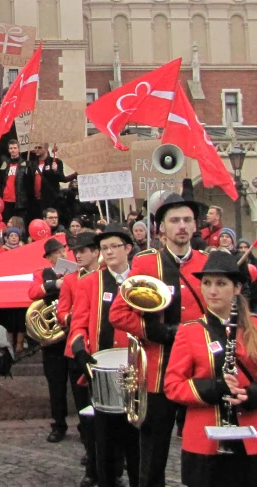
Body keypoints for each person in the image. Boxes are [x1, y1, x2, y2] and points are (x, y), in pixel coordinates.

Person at [110, 181, 210, 487]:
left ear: (195, 226)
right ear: (161, 228)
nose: (181, 226)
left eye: (187, 220)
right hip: (156, 373)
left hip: (198, 372)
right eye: (174, 220)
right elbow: (118, 314)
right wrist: (156, 331)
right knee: (152, 453)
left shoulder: (208, 265)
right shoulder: (146, 262)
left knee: (203, 449)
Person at [163, 251, 257, 487]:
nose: (212, 291)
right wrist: (214, 388)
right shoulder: (189, 331)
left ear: (237, 288)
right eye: (207, 283)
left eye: (221, 283)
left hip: (255, 433)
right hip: (206, 439)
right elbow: (173, 386)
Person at [67, 225, 138, 487]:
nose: (108, 252)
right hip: (102, 371)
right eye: (104, 248)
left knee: (137, 443)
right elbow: (78, 325)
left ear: (128, 249)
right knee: (105, 442)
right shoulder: (89, 282)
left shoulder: (142, 280)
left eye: (113, 247)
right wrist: (80, 352)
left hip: (137, 370)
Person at [28, 237, 75, 443]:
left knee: (79, 385)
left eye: (63, 251)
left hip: (74, 334)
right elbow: (32, 292)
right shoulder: (42, 273)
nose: (63, 255)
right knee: (56, 386)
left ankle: (86, 426)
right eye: (57, 253)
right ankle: (58, 425)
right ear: (49, 257)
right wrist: (55, 283)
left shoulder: (75, 271)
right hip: (53, 339)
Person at [0, 139, 31, 223]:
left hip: (19, 200)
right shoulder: (5, 163)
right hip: (6, 199)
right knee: (7, 222)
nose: (13, 150)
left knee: (19, 223)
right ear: (8, 150)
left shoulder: (25, 164)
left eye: (15, 148)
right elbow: (0, 181)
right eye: (11, 148)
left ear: (19, 149)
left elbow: (28, 183)